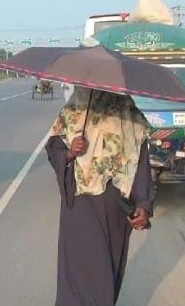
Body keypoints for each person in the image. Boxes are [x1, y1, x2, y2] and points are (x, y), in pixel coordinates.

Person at [45, 86, 153, 306]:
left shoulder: (129, 114)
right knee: (77, 270)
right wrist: (69, 152)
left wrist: (142, 203)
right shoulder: (73, 112)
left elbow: (140, 160)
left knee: (107, 269)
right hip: (80, 205)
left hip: (114, 207)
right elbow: (54, 148)